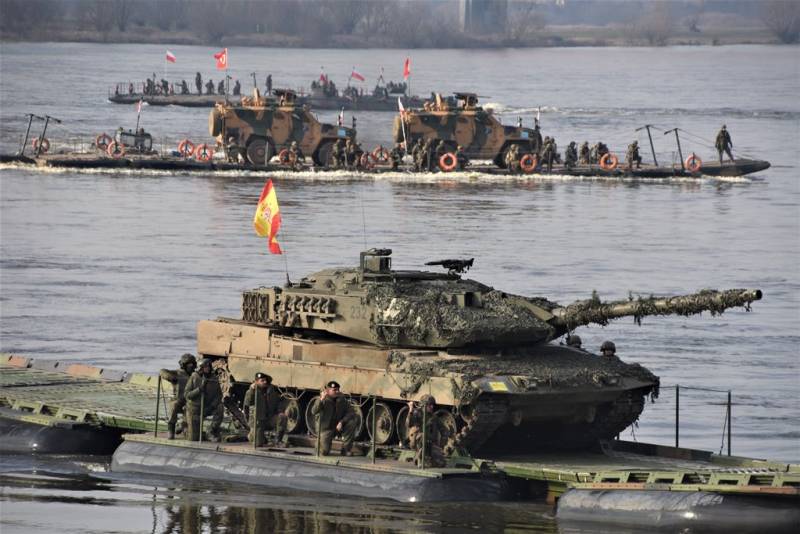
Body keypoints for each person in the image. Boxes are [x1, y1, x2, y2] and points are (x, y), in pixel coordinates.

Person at [311, 380, 358, 456]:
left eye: (338, 389)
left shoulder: (342, 399)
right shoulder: (322, 400)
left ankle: (346, 450)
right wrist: (321, 400)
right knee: (323, 453)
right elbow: (314, 411)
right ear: (327, 391)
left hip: (337, 427)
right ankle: (320, 446)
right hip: (325, 430)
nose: (337, 391)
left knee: (351, 423)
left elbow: (351, 412)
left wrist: (342, 422)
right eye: (334, 390)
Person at [183, 358, 224, 442]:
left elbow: (219, 395)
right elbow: (187, 395)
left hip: (207, 407)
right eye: (205, 367)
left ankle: (211, 430)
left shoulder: (213, 378)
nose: (208, 368)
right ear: (200, 367)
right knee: (194, 439)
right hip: (195, 409)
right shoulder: (194, 377)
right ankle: (184, 426)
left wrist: (212, 405)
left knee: (220, 407)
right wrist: (199, 390)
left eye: (209, 366)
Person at [243, 372, 288, 447]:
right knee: (258, 444)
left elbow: (278, 402)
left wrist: (280, 411)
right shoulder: (251, 392)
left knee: (282, 417)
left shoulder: (271, 391)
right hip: (258, 421)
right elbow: (247, 406)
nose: (265, 382)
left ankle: (278, 441)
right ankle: (252, 435)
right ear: (256, 382)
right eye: (262, 381)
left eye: (265, 380)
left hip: (269, 419)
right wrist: (252, 390)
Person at [159, 353, 197, 439]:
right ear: (184, 365)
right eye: (189, 364)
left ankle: (183, 425)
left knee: (191, 410)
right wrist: (171, 377)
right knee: (173, 406)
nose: (191, 366)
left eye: (192, 364)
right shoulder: (177, 373)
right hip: (179, 399)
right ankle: (171, 428)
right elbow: (162, 371)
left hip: (190, 401)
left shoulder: (195, 375)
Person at [406, 395, 448, 468]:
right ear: (424, 405)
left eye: (432, 405)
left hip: (431, 443)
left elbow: (444, 430)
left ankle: (425, 459)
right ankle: (420, 459)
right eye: (429, 405)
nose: (432, 407)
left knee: (442, 463)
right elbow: (408, 424)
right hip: (418, 442)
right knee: (422, 436)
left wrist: (442, 444)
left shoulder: (434, 417)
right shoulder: (417, 413)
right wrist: (411, 410)